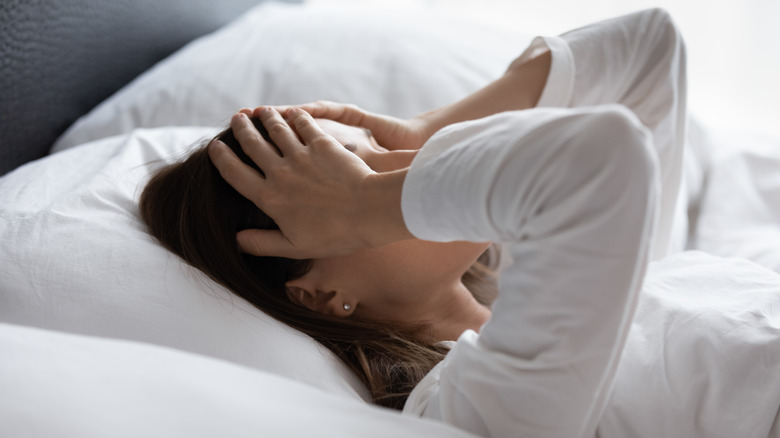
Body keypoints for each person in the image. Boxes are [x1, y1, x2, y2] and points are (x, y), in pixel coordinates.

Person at [141, 8, 780, 438]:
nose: (403, 169)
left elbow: (649, 47)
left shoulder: (577, 282)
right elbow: (598, 161)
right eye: (351, 175)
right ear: (323, 294)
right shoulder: (469, 408)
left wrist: (431, 130)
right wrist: (366, 202)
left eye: (361, 160)